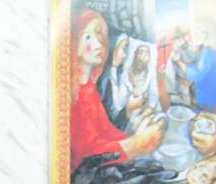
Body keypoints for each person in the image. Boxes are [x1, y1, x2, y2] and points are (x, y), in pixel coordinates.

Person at [69, 8, 163, 170]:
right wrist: (136, 144)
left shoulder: (88, 87)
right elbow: (87, 158)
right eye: (87, 37)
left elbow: (106, 131)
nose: (98, 44)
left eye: (100, 34)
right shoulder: (73, 95)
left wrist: (137, 134)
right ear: (75, 45)